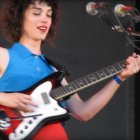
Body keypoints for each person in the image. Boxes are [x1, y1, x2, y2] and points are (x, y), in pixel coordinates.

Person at [0, 0, 139, 140]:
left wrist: (119, 78)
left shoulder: (54, 72)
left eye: (49, 15)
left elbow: (83, 112)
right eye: (37, 13)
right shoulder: (4, 56)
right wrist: (5, 98)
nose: (44, 19)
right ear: (18, 17)